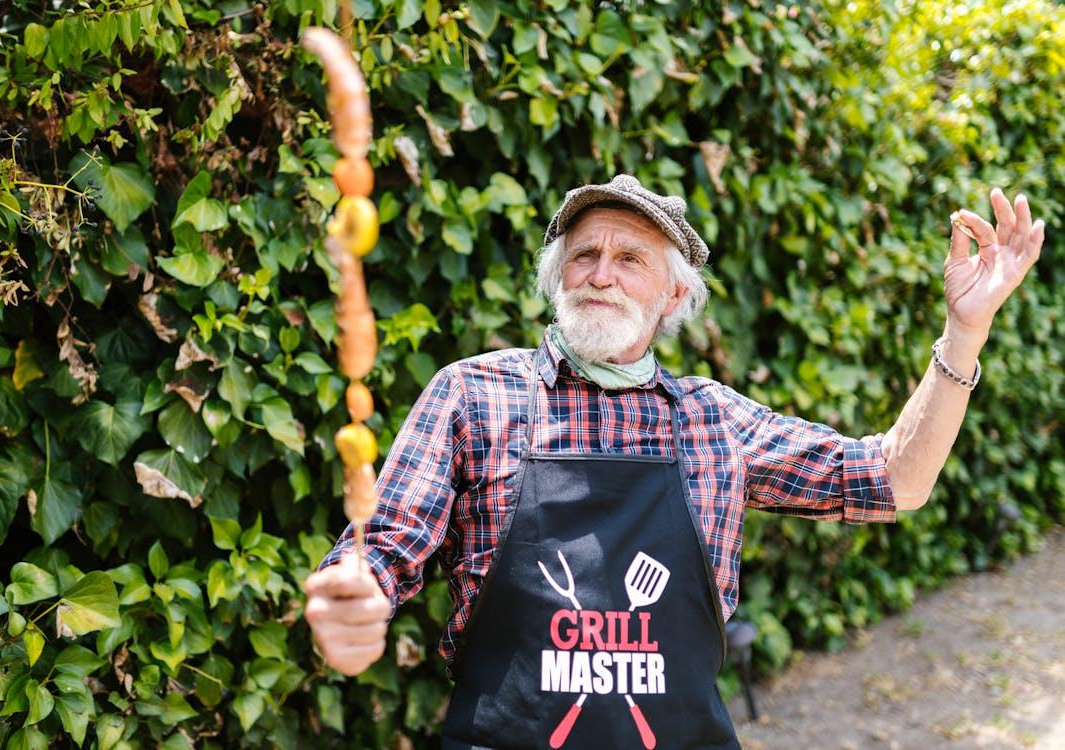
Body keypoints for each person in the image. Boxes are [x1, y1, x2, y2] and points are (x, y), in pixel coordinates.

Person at [303, 174, 1045, 749]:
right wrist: (351, 596)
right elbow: (383, 551)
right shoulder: (473, 394)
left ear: (672, 295)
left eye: (629, 259)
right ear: (556, 278)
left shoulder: (712, 419)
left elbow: (891, 480)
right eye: (584, 255)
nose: (600, 273)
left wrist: (963, 331)